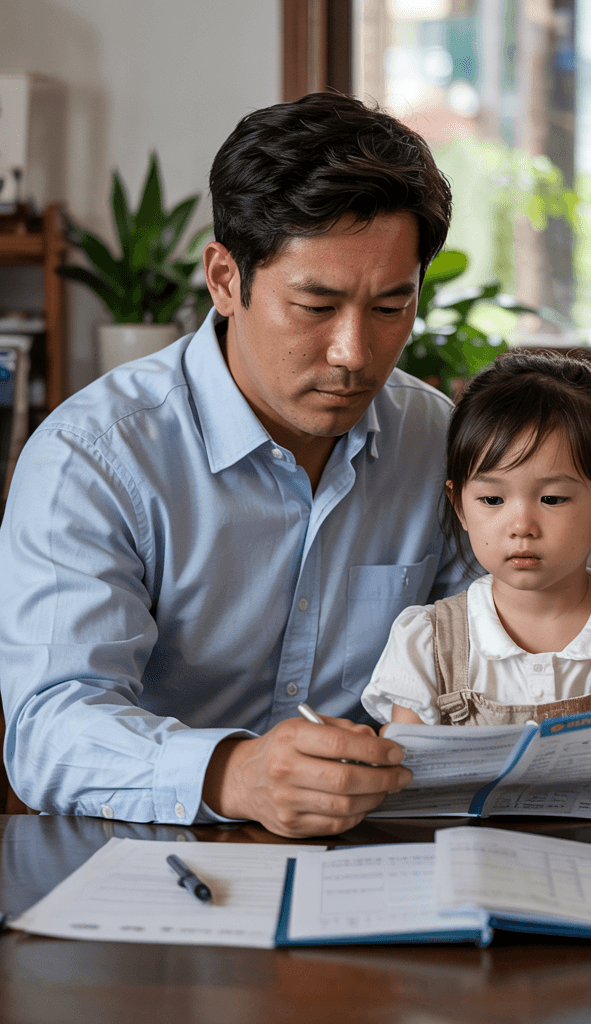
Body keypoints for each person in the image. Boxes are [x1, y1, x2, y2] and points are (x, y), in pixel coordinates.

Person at [0, 93, 465, 838]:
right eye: (315, 305)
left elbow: (495, 651)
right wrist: (232, 774)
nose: (354, 353)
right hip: (159, 858)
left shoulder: (439, 443)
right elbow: (51, 729)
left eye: (389, 308)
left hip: (379, 854)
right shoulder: (93, 458)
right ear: (224, 279)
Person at [360, 352, 591, 727]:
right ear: (459, 504)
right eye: (492, 499)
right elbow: (407, 774)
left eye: (552, 499)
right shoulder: (426, 642)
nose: (522, 526)